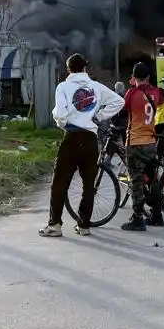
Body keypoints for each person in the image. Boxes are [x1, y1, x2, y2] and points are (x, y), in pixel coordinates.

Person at [41, 53, 124, 237]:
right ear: (85, 68)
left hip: (72, 137)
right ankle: (84, 226)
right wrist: (99, 116)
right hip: (91, 140)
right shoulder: (96, 87)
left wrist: (62, 123)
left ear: (68, 69)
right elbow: (119, 101)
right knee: (88, 185)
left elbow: (60, 114)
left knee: (59, 182)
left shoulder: (63, 87)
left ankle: (55, 225)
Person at [118, 62, 164, 232]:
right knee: (153, 180)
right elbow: (159, 102)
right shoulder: (156, 93)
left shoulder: (131, 93)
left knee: (136, 181)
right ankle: (157, 216)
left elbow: (122, 112)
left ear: (133, 76)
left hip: (135, 143)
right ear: (148, 77)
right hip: (151, 142)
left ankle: (137, 218)